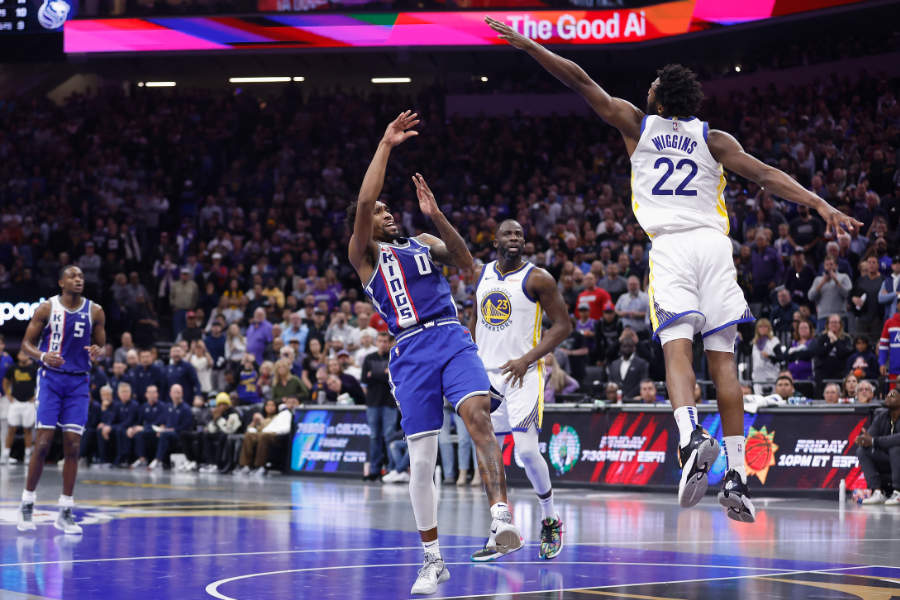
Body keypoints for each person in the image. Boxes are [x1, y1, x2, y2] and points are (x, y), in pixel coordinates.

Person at [485, 17, 860, 522]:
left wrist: (529, 45)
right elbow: (767, 175)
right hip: (715, 246)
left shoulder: (638, 126)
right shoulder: (715, 139)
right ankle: (738, 476)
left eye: (653, 84)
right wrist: (821, 205)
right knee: (723, 361)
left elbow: (578, 79)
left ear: (660, 97)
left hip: (672, 248)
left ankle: (689, 438)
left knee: (675, 349)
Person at [346, 111, 521, 595]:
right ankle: (432, 558)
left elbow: (468, 264)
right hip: (409, 351)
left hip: (450, 335)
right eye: (380, 212)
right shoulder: (365, 255)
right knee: (422, 463)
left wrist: (437, 215)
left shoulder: (421, 241)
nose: (386, 213)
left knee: (477, 415)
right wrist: (385, 143)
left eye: (387, 209)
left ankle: (501, 518)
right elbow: (362, 201)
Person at [471, 218, 572, 560]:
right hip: (486, 375)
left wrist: (527, 359)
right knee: (489, 453)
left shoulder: (538, 278)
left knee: (525, 452)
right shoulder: (482, 275)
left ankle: (550, 518)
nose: (515, 237)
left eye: (519, 233)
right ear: (495, 240)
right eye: (508, 233)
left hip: (523, 374)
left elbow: (563, 325)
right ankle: (500, 530)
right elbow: (476, 320)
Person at [16, 265, 106, 534]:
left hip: (78, 381)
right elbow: (25, 345)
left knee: (73, 444)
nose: (78, 280)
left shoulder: (96, 311)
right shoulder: (46, 308)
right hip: (51, 380)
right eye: (72, 276)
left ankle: (65, 510)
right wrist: (43, 356)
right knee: (42, 442)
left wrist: (98, 350)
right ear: (61, 282)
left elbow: (102, 344)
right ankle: (27, 502)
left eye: (81, 277)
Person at [361, 331, 396, 481]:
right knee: (374, 437)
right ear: (376, 342)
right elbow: (364, 379)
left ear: (389, 342)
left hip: (390, 403)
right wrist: (384, 373)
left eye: (385, 341)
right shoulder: (369, 358)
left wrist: (375, 374)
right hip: (373, 402)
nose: (383, 344)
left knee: (389, 437)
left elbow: (393, 377)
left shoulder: (393, 357)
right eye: (380, 341)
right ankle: (374, 470)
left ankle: (391, 469)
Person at [856, 388, 900, 505]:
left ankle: (898, 492)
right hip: (889, 458)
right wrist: (863, 439)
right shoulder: (882, 416)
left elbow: (897, 439)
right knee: (863, 451)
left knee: (896, 448)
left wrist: (874, 441)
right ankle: (877, 491)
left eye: (893, 395)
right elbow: (869, 437)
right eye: (887, 395)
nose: (888, 397)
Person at [2, 351, 38, 465]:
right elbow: (5, 382)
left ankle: (27, 455)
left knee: (28, 429)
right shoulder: (13, 368)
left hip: (29, 403)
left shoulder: (34, 368)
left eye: (26, 354)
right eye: (22, 354)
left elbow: (40, 383)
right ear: (17, 356)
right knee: (11, 428)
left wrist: (35, 396)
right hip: (15, 402)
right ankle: (6, 454)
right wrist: (8, 395)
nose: (24, 356)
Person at [127, 385, 165, 468]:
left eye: (154, 392)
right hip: (145, 431)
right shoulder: (143, 407)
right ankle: (141, 459)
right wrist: (132, 428)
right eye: (150, 392)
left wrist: (144, 428)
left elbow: (159, 422)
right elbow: (138, 422)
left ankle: (157, 460)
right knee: (136, 433)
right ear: (146, 394)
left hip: (156, 431)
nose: (152, 395)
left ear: (157, 394)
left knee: (143, 432)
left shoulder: (162, 406)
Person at [607, 331, 649, 401]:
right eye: (624, 346)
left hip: (635, 400)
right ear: (620, 348)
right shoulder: (614, 364)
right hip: (616, 400)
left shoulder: (641, 363)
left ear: (634, 348)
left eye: (629, 346)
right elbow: (611, 381)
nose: (627, 349)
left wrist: (628, 397)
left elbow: (642, 382)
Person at [750, 319, 780, 395]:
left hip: (771, 375)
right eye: (760, 327)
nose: (763, 329)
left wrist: (769, 356)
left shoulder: (774, 341)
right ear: (757, 329)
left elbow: (781, 358)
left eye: (765, 327)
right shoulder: (754, 342)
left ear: (769, 328)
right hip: (757, 376)